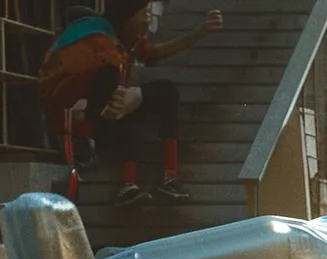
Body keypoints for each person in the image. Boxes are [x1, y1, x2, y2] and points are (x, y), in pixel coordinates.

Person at [40, 1, 223, 205]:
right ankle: (89, 146)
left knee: (166, 91)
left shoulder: (125, 34)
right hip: (80, 114)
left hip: (110, 103)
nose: (148, 18)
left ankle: (170, 178)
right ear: (128, 17)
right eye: (144, 13)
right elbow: (61, 92)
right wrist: (109, 103)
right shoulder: (96, 42)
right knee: (120, 106)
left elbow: (153, 53)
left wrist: (202, 31)